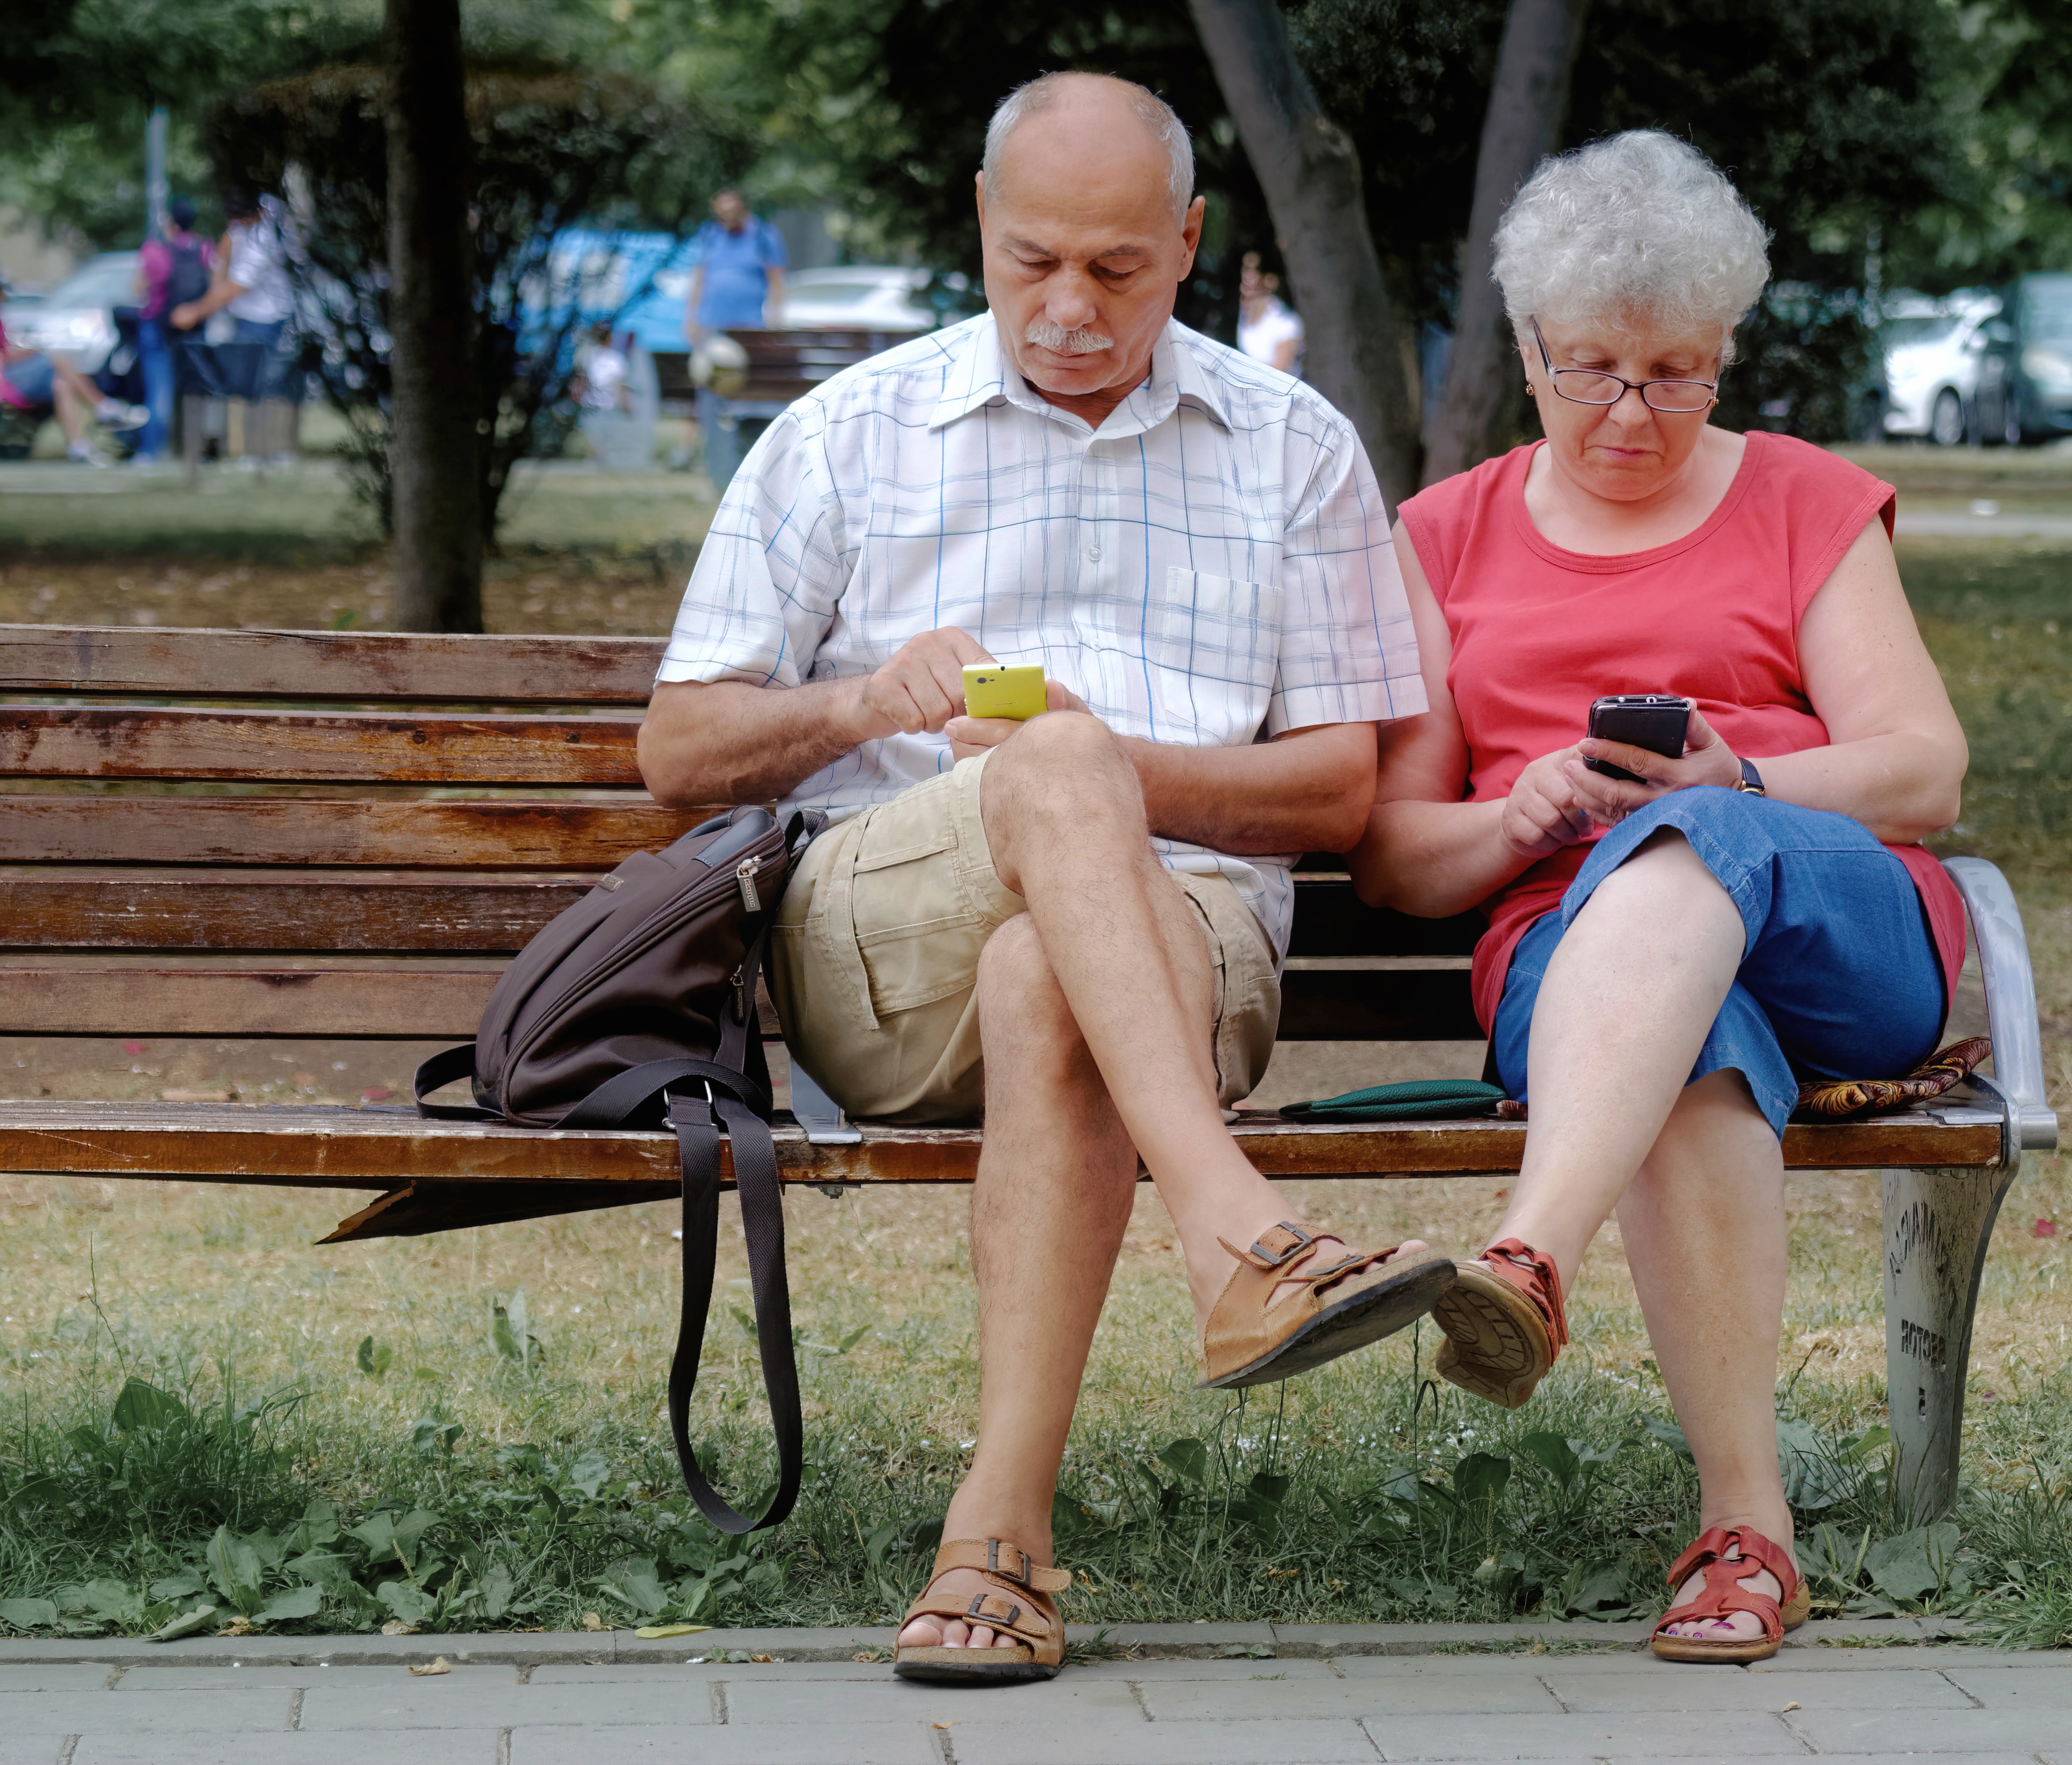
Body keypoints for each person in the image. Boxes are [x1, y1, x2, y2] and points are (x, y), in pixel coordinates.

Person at [640, 71, 1449, 1684]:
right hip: (882, 949)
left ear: (1190, 242)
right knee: (1058, 779)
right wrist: (862, 702)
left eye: (1117, 269)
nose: (1070, 307)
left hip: (1187, 933)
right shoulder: (848, 434)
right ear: (982, 234)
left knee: (1053, 953)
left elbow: (1339, 789)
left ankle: (995, 1539)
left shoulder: (1290, 448)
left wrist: (1102, 761)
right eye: (1033, 262)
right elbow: (678, 746)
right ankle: (1232, 1227)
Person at [1351, 131, 1968, 1665]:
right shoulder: (1446, 534)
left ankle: (1527, 1252)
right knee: (1695, 1037)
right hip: (1579, 974)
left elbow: (1922, 770)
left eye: (1676, 373)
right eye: (1593, 370)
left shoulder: (1802, 500)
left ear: (1726, 352)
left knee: (1700, 842)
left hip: (1835, 913)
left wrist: (1732, 784)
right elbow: (1394, 854)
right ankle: (1743, 1537)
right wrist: (1518, 814)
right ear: (1525, 348)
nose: (1631, 412)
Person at [170, 189, 297, 464]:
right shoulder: (238, 232)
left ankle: (268, 450)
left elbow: (234, 288)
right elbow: (220, 271)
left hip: (267, 321)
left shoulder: (265, 238)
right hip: (242, 320)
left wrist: (195, 311)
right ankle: (244, 449)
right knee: (240, 388)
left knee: (264, 387)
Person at [682, 187, 786, 490]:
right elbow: (700, 278)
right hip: (713, 329)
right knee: (711, 401)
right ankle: (715, 472)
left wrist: (774, 320)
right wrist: (691, 317)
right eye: (721, 213)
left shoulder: (763, 236)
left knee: (746, 402)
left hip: (750, 331)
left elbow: (777, 281)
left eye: (731, 212)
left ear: (743, 209)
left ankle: (748, 471)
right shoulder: (710, 236)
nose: (726, 218)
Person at [0, 297, 149, 466]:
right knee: (59, 360)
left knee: (61, 383)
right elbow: (5, 357)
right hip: (6, 385)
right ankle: (103, 407)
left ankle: (78, 446)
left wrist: (31, 350)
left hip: (10, 378)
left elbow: (6, 350)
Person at [134, 195, 212, 464]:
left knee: (159, 390)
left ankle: (150, 451)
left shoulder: (156, 250)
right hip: (193, 328)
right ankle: (192, 449)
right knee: (192, 389)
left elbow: (137, 289)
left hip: (157, 326)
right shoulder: (204, 249)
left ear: (170, 221)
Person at [1236, 251, 1303, 374]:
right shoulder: (1245, 312)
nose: (1248, 276)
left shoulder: (1285, 323)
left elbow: (1279, 376)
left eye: (1255, 270)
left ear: (1270, 281)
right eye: (1245, 269)